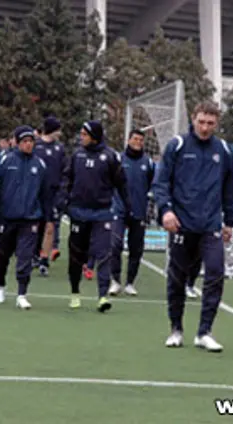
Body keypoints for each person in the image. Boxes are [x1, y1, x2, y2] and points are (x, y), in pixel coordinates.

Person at [152, 101, 233, 353]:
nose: (205, 127)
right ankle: (176, 329)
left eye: (210, 123)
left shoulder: (223, 150)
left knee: (215, 273)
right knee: (177, 278)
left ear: (217, 123)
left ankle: (204, 332)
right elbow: (161, 182)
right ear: (193, 119)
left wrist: (229, 221)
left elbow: (228, 188)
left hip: (210, 225)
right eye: (201, 122)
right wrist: (166, 210)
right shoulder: (177, 145)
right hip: (181, 224)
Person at [59, 120, 131, 312]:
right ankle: (75, 293)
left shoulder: (110, 156)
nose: (81, 137)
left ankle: (102, 296)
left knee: (104, 254)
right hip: (79, 212)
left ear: (95, 137)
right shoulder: (77, 155)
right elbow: (67, 180)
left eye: (85, 134)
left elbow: (121, 183)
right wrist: (64, 202)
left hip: (102, 213)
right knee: (76, 255)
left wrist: (128, 206)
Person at [0, 125, 51, 310]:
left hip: (30, 219)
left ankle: (22, 294)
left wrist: (48, 215)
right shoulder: (5, 160)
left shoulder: (40, 164)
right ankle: (0, 285)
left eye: (31, 141)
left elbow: (45, 193)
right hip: (6, 217)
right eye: (25, 141)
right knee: (2, 256)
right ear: (18, 143)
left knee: (25, 257)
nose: (28, 145)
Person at [108, 129, 155, 296]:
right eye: (135, 139)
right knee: (115, 245)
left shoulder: (148, 163)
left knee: (136, 249)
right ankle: (115, 280)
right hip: (119, 209)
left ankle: (130, 282)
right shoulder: (118, 159)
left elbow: (153, 184)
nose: (138, 142)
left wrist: (150, 203)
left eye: (141, 140)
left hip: (139, 210)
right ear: (128, 140)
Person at [32, 117, 66, 276]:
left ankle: (44, 261)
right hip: (36, 193)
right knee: (35, 226)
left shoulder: (60, 148)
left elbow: (65, 171)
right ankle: (34, 254)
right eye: (58, 130)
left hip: (53, 194)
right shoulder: (35, 146)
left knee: (50, 226)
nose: (60, 133)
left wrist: (63, 191)